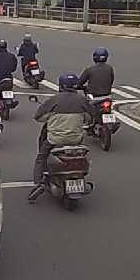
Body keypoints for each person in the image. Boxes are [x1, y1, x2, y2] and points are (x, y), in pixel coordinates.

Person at [28, 73, 89, 202]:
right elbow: (90, 117)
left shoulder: (54, 100)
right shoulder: (82, 100)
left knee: (41, 158)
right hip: (76, 140)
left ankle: (39, 183)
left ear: (61, 85)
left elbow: (38, 117)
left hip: (55, 140)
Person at [78, 47, 116, 125]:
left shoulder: (89, 69)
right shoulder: (109, 68)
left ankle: (88, 122)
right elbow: (111, 80)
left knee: (84, 108)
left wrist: (81, 87)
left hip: (93, 97)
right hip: (107, 96)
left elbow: (79, 83)